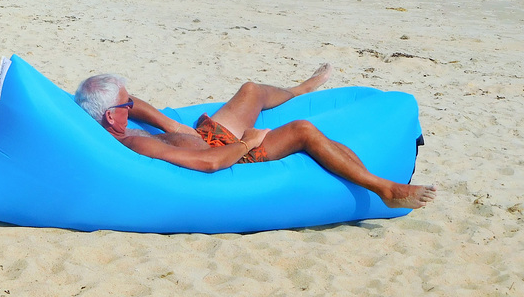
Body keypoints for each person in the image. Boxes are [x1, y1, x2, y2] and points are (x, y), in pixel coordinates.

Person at [74, 64, 436, 210]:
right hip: (229, 152)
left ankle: (301, 88)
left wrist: (172, 125)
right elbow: (210, 162)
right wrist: (247, 141)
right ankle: (385, 189)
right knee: (303, 131)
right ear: (110, 116)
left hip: (204, 135)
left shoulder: (98, 121)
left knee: (251, 91)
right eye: (127, 104)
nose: (133, 105)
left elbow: (134, 109)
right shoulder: (134, 143)